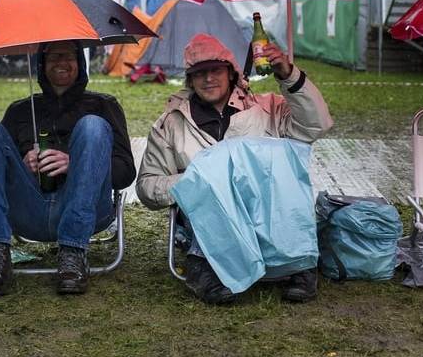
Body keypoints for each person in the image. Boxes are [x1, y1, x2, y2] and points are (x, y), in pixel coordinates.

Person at [136, 33, 333, 304]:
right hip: (209, 215)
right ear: (190, 80)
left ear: (231, 72)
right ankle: (204, 266)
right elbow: (147, 185)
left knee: (277, 168)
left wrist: (288, 75)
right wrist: (198, 181)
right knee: (212, 180)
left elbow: (316, 125)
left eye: (215, 70)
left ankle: (299, 264)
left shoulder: (268, 109)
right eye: (199, 73)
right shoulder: (171, 124)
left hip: (267, 208)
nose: (208, 79)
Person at [0, 40, 135, 298]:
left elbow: (125, 173)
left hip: (86, 211)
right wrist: (22, 165)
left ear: (80, 63)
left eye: (69, 56)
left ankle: (73, 254)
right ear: (41, 65)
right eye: (54, 56)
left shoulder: (104, 106)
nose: (62, 62)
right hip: (29, 209)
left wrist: (75, 164)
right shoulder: (20, 110)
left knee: (92, 126)